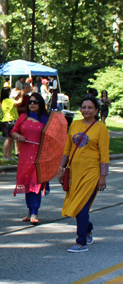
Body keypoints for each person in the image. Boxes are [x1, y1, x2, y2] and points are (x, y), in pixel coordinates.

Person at [57, 96, 109, 253]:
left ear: (96, 110)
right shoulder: (75, 124)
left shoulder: (101, 128)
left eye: (90, 107)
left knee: (81, 207)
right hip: (74, 173)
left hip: (92, 174)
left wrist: (103, 177)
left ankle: (81, 242)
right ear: (80, 109)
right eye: (84, 107)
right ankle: (88, 228)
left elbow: (104, 154)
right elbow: (67, 148)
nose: (86, 110)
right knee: (76, 206)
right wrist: (61, 167)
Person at [11, 93, 50, 224]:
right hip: (25, 157)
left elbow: (51, 138)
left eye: (35, 102)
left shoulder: (46, 119)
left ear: (41, 104)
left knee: (36, 184)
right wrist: (18, 136)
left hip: (39, 158)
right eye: (30, 102)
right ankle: (30, 211)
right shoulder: (22, 117)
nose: (32, 104)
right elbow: (13, 131)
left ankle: (34, 212)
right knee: (28, 184)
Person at [0, 87, 18, 161]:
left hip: (11, 120)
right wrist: (22, 94)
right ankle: (4, 156)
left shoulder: (7, 100)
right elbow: (18, 102)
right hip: (8, 121)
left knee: (11, 139)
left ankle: (9, 156)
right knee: (8, 139)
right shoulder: (7, 100)